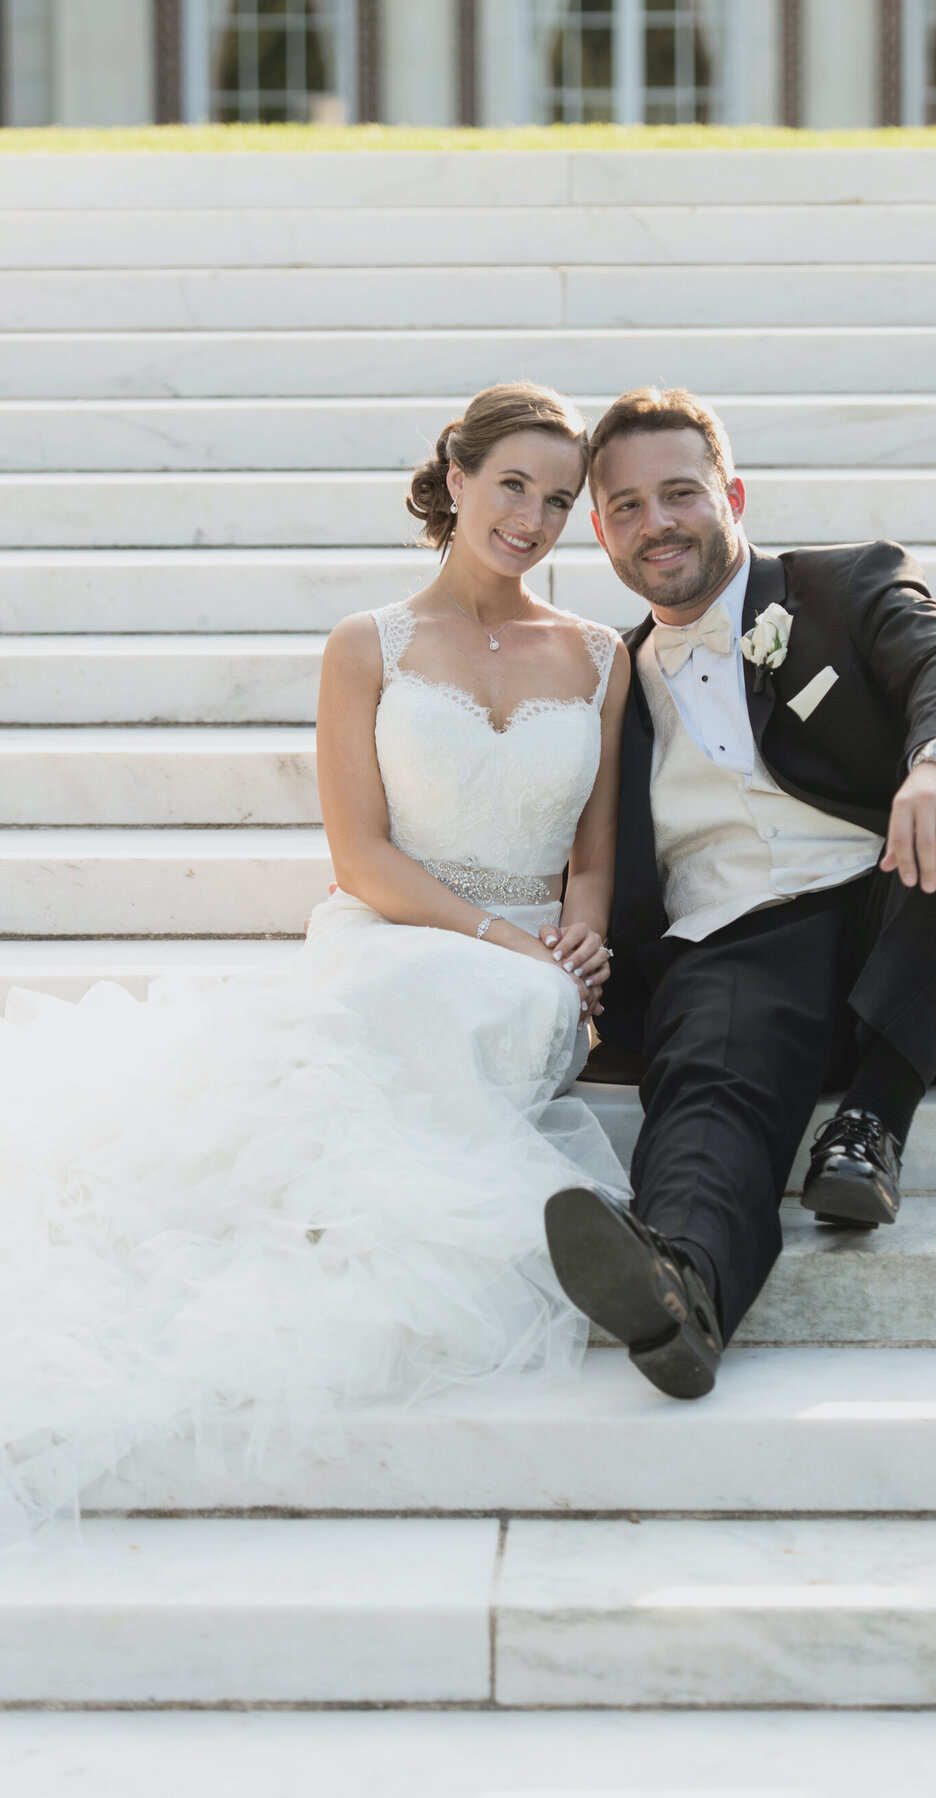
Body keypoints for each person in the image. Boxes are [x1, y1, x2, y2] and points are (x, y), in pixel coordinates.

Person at [0, 383, 631, 1532]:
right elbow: (359, 856)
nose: (533, 521)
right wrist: (501, 939)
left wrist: (578, 934)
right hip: (398, 929)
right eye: (512, 489)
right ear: (456, 480)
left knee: (478, 1012)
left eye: (558, 500)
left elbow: (594, 850)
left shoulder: (597, 655)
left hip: (535, 961)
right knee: (395, 1000)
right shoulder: (366, 646)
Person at [543, 387, 936, 1403]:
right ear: (598, 527)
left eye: (679, 492)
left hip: (904, 913)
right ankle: (682, 1287)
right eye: (626, 506)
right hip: (732, 947)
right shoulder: (607, 680)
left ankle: (871, 1122)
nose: (656, 523)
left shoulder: (842, 586)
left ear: (733, 494)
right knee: (711, 1078)